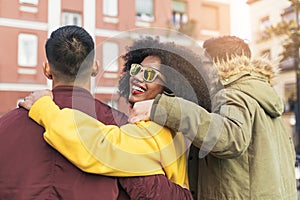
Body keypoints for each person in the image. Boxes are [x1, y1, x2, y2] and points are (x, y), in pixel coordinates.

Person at [0, 25, 191, 199]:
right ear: (94, 67)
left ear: (47, 69)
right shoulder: (120, 126)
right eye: (136, 70)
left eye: (149, 74)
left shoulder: (5, 126)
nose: (138, 78)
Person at [129, 35, 298, 199]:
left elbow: (229, 137)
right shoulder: (261, 98)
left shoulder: (233, 94)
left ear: (219, 63)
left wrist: (161, 107)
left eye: (204, 63)